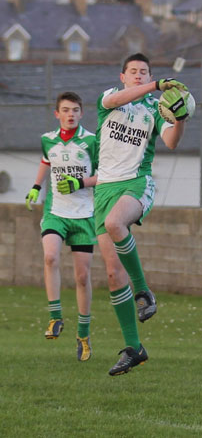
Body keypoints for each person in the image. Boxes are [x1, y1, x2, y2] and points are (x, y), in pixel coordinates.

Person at [94, 52, 189, 376]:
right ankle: (134, 348)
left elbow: (172, 142)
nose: (138, 75)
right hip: (103, 189)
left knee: (115, 222)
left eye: (144, 71)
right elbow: (117, 99)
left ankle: (143, 290)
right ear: (123, 76)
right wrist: (155, 85)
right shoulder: (109, 99)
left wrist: (181, 117)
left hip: (136, 183)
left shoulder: (154, 110)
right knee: (111, 274)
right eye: (133, 72)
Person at [25, 91, 97, 362]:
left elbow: (103, 176)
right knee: (50, 256)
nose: (70, 114)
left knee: (81, 277)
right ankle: (55, 317)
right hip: (56, 212)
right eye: (65, 110)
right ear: (57, 114)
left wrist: (80, 183)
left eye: (75, 110)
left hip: (84, 215)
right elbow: (47, 161)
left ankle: (83, 334)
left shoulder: (91, 141)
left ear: (81, 113)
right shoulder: (48, 140)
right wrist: (35, 187)